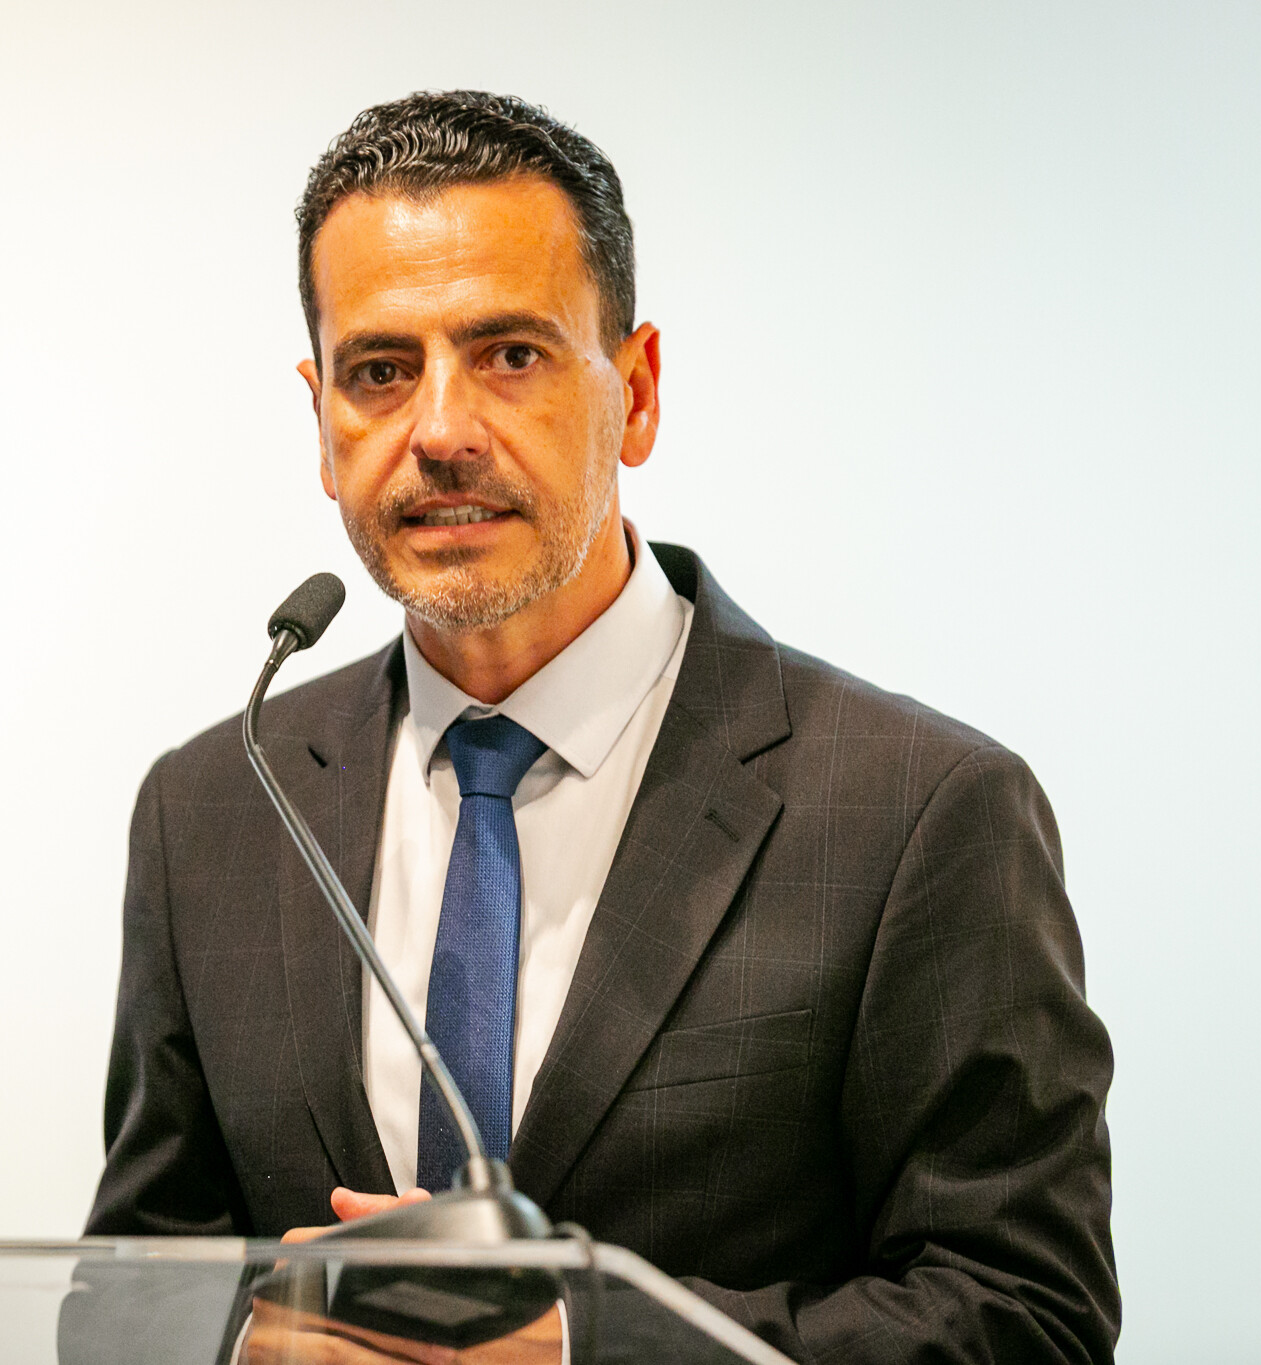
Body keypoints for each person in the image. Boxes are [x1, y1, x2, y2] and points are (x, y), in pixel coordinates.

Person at [83, 90, 1118, 1364]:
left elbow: (1027, 1320)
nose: (440, 431)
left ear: (633, 392)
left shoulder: (919, 812)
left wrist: (578, 1347)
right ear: (320, 419)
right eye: (379, 372)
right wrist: (246, 1344)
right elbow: (124, 1297)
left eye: (509, 355)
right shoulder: (214, 808)